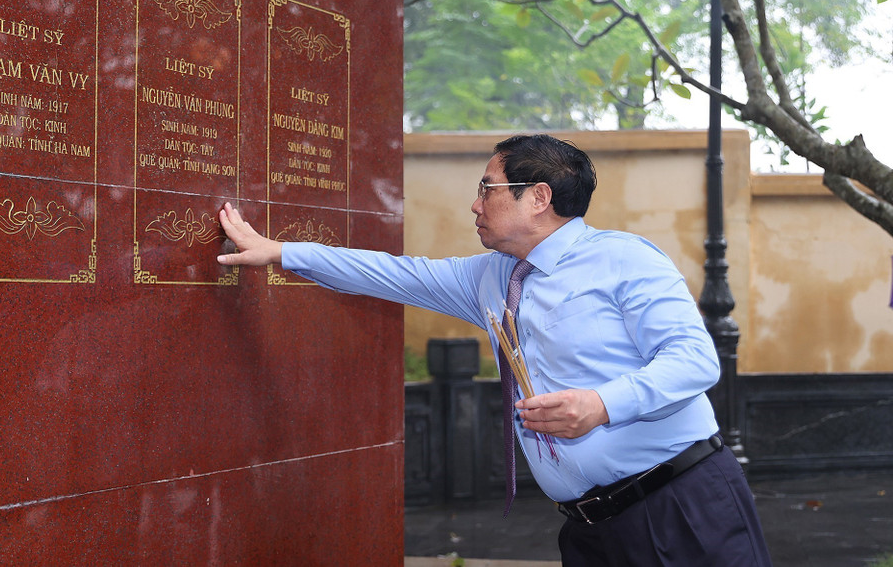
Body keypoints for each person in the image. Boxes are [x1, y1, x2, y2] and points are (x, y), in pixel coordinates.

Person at [217, 134, 772, 567]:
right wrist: (279, 252)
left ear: (538, 198)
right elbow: (393, 274)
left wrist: (602, 405)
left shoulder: (626, 260)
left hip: (679, 505)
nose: (474, 204)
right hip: (589, 529)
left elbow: (695, 360)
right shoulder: (490, 276)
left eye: (487, 188)